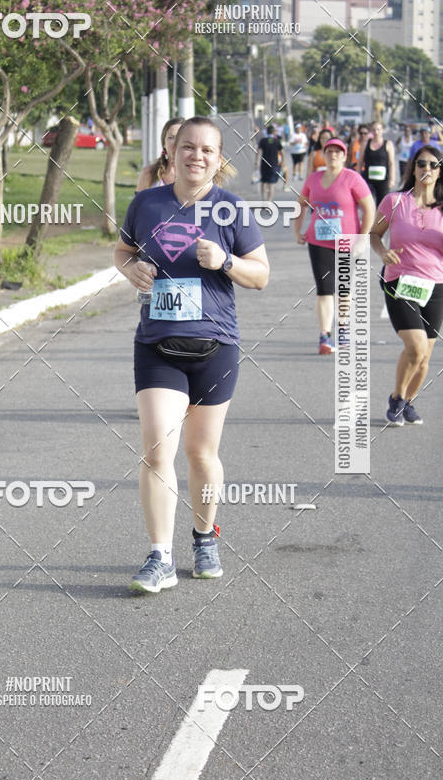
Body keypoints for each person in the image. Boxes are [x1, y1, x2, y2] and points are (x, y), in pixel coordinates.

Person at [114, 116, 269, 593]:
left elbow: (261, 275)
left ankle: (205, 536)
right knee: (158, 443)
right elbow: (121, 251)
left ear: (219, 159)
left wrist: (226, 261)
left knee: (201, 452)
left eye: (206, 149)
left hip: (215, 347)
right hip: (157, 344)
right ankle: (160, 555)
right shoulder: (146, 203)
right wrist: (132, 269)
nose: (196, 155)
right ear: (172, 151)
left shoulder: (232, 210)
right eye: (187, 146)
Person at [369, 145, 443, 426]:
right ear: (413, 168)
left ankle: (408, 401)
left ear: (440, 171)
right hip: (400, 280)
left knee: (425, 358)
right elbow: (375, 234)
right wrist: (382, 252)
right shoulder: (395, 201)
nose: (427, 169)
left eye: (433, 165)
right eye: (421, 164)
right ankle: (397, 399)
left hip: (436, 285)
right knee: (416, 346)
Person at [293, 138, 375, 354]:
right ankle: (324, 335)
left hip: (347, 241)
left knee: (344, 289)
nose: (333, 155)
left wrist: (363, 237)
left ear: (344, 156)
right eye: (329, 151)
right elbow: (301, 204)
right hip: (318, 240)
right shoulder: (313, 178)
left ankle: (344, 328)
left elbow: (369, 208)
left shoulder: (352, 178)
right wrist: (297, 231)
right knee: (324, 289)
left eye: (338, 152)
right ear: (324, 154)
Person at [136, 117, 185, 191]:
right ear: (164, 143)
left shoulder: (197, 174)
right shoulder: (149, 173)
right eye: (171, 137)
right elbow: (139, 202)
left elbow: (204, 202)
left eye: (180, 137)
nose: (175, 142)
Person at [357, 120, 396, 207]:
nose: (376, 132)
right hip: (368, 179)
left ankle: (380, 221)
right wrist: (357, 177)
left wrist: (392, 179)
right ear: (371, 131)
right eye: (374, 130)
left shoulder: (388, 144)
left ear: (382, 130)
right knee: (368, 205)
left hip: (383, 180)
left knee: (382, 206)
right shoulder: (365, 144)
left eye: (378, 129)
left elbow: (391, 163)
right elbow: (360, 162)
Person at [255, 123, 283, 202]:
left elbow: (259, 151)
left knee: (263, 182)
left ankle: (263, 200)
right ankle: (269, 201)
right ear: (274, 132)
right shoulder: (276, 141)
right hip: (274, 164)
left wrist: (256, 162)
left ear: (266, 132)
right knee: (271, 183)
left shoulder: (263, 141)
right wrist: (282, 162)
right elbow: (282, 152)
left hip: (264, 164)